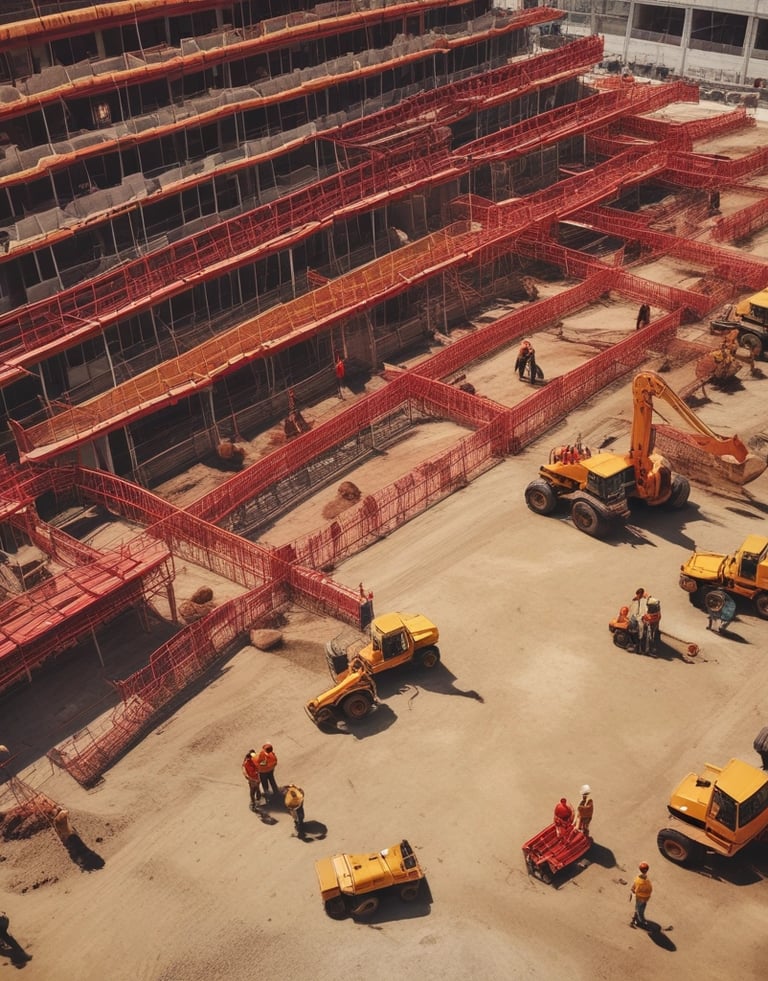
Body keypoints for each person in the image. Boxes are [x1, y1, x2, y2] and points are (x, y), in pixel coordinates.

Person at [630, 862, 653, 928]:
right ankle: (639, 921)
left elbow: (633, 887)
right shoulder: (643, 881)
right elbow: (636, 889)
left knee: (639, 908)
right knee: (640, 910)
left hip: (642, 898)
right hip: (642, 898)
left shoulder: (638, 878)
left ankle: (635, 918)